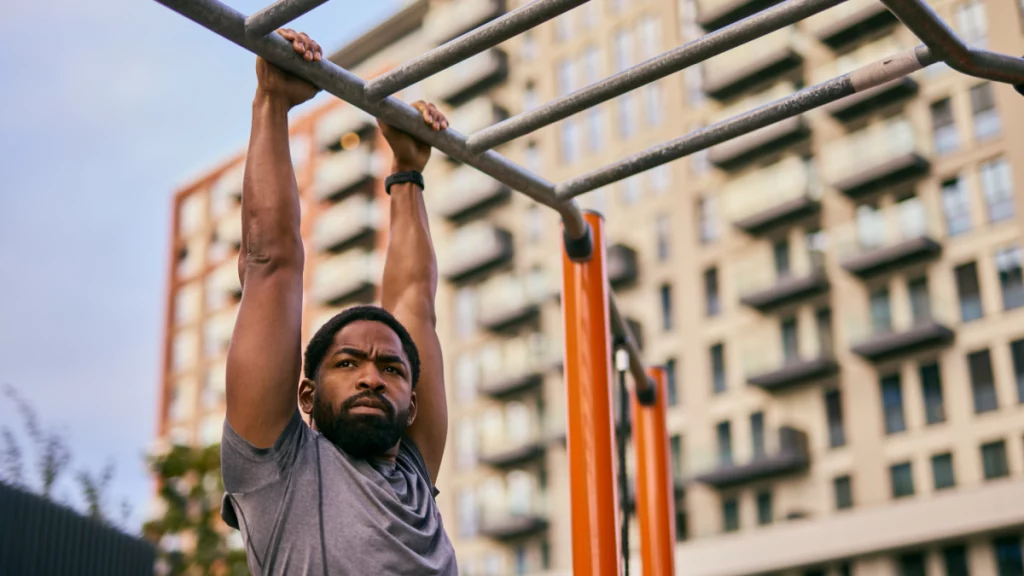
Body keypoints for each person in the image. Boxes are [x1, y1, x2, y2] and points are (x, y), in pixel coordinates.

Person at [218, 28, 456, 575]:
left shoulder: (416, 479)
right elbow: (270, 264)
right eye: (347, 363)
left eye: (392, 368)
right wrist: (272, 101)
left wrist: (407, 173)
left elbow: (415, 301)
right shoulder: (277, 466)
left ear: (412, 404)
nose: (372, 377)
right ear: (304, 393)